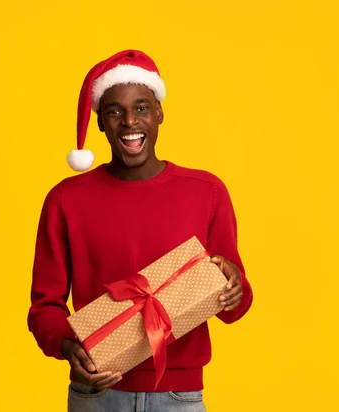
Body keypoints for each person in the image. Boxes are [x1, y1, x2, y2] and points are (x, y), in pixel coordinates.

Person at [28, 50, 253, 412]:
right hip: (96, 394)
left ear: (160, 113)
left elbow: (233, 306)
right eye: (115, 111)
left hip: (179, 397)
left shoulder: (207, 191)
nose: (130, 121)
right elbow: (44, 307)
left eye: (142, 108)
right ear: (100, 121)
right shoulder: (66, 200)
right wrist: (68, 347)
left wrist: (234, 288)